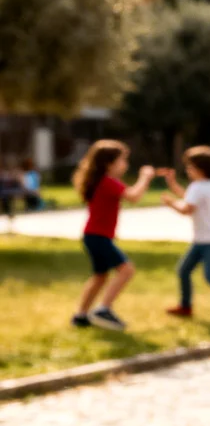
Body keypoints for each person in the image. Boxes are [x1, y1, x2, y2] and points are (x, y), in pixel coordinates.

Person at [70, 140, 155, 331]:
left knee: (100, 276)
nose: (126, 165)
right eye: (122, 160)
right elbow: (133, 196)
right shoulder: (108, 182)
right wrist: (145, 177)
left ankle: (81, 315)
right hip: (98, 237)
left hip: (93, 236)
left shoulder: (101, 181)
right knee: (126, 270)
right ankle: (103, 309)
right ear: (109, 163)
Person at [158, 146, 210, 325]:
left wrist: (170, 203)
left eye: (190, 166)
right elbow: (189, 197)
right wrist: (172, 183)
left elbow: (186, 208)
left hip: (207, 241)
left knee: (209, 275)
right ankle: (185, 306)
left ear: (199, 169)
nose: (187, 170)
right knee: (184, 270)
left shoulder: (198, 187)